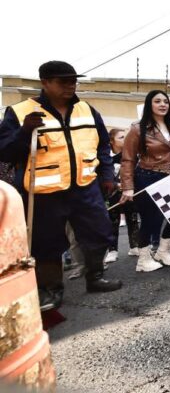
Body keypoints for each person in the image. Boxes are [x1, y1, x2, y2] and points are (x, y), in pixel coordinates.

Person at [0, 61, 122, 310]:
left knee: (99, 232)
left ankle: (95, 277)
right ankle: (52, 289)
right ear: (45, 83)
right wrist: (24, 132)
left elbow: (102, 146)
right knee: (47, 243)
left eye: (73, 80)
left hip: (85, 186)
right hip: (45, 193)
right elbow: (4, 151)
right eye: (63, 81)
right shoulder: (20, 112)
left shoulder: (87, 110)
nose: (70, 85)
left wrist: (107, 175)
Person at [120, 90, 170, 272]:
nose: (163, 104)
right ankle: (143, 259)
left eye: (165, 101)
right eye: (158, 101)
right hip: (147, 177)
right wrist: (127, 187)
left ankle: (163, 251)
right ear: (150, 104)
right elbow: (128, 159)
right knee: (151, 220)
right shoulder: (137, 128)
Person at [105, 128, 140, 262]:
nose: (125, 139)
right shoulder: (105, 158)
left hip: (130, 193)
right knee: (112, 222)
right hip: (111, 195)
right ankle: (112, 250)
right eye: (121, 137)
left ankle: (134, 246)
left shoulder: (131, 155)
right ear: (112, 141)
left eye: (126, 136)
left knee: (132, 219)